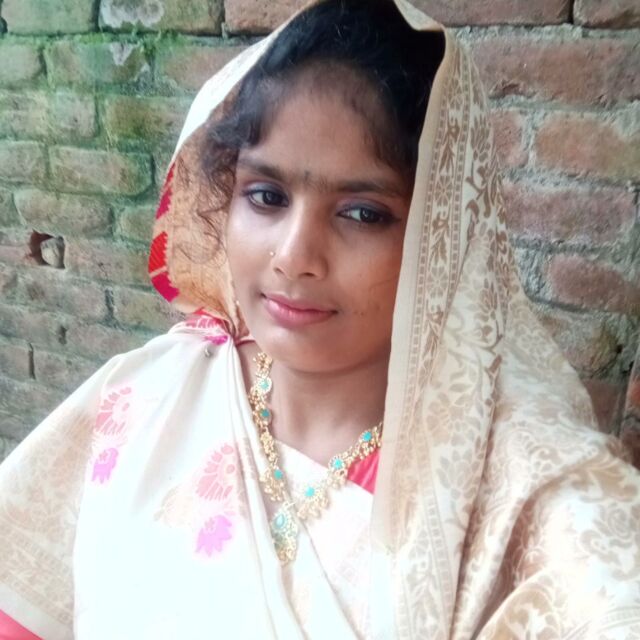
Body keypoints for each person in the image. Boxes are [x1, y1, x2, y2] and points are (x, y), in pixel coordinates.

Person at [1, 0, 639, 637]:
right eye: (266, 196)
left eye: (363, 213)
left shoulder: (516, 494)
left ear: (443, 235)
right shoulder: (153, 396)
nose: (294, 256)